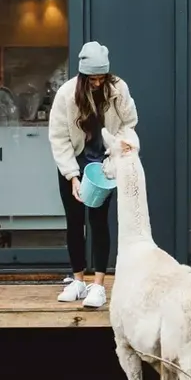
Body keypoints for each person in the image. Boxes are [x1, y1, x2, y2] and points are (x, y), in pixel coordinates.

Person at [48, 41, 138, 309]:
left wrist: (119, 146)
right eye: (92, 78)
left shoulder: (117, 89)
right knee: (74, 222)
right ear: (83, 75)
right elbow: (59, 137)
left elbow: (129, 121)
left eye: (101, 77)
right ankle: (77, 280)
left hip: (104, 164)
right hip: (73, 163)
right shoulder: (66, 95)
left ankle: (98, 285)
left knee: (99, 222)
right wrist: (72, 176)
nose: (97, 83)